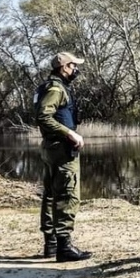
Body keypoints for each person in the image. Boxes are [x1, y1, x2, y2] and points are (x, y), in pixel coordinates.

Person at [34, 51, 93, 262]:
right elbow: (43, 116)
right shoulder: (56, 89)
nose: (76, 69)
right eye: (73, 65)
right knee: (68, 195)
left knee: (51, 195)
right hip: (61, 149)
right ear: (64, 67)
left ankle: (51, 245)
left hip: (51, 147)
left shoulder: (47, 87)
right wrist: (70, 133)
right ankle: (64, 247)